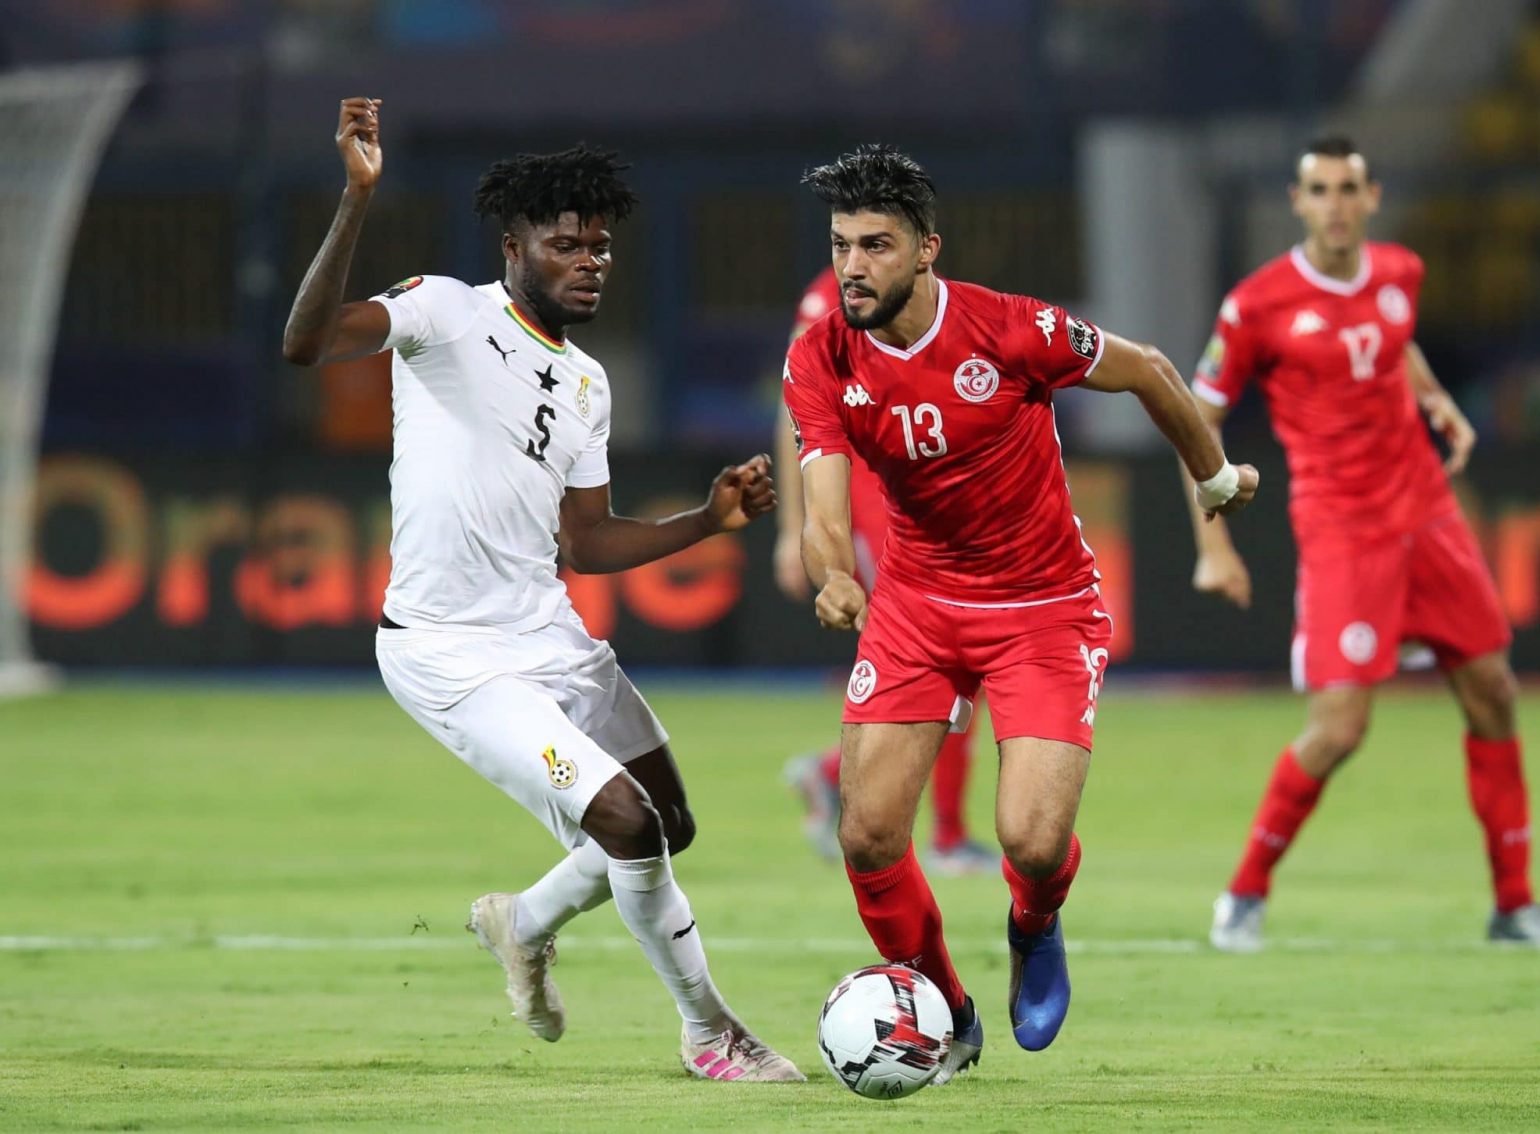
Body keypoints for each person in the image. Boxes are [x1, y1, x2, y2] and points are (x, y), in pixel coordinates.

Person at [282, 97, 805, 1081]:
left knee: (669, 825)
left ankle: (522, 922)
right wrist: (356, 198)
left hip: (548, 636)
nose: (590, 261)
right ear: (514, 245)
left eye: (600, 246)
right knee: (625, 824)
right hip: (448, 651)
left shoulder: (588, 384)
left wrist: (706, 520)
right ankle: (710, 1034)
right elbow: (306, 343)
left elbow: (588, 542)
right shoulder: (445, 309)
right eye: (566, 244)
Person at [782, 144, 1258, 1082]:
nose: (852, 268)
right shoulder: (820, 354)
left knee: (1032, 842)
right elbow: (825, 512)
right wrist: (833, 574)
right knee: (867, 835)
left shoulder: (1011, 329)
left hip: (1043, 607)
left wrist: (1212, 477)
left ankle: (1035, 922)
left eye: (876, 246)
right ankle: (946, 1012)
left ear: (927, 250)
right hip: (916, 605)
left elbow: (1152, 370)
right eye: (840, 246)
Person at [1188, 136, 1540, 952]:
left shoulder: (1400, 272)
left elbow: (1392, 341)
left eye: (1349, 188)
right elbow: (1198, 417)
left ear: (1372, 197)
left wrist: (1437, 400)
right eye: (1320, 190)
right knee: (1340, 728)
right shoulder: (1257, 305)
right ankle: (1244, 894)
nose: (1335, 204)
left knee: (1494, 692)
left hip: (1428, 515)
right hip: (1343, 530)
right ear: (1298, 203)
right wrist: (1214, 546)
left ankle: (1515, 906)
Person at [773, 267, 999, 875]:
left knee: (953, 666)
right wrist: (795, 528)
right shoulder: (830, 297)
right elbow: (795, 411)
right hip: (870, 505)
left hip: (922, 500)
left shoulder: (933, 293)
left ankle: (836, 775)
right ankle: (945, 835)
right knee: (942, 662)